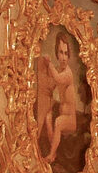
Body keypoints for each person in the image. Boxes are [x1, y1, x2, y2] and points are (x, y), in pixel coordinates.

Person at [36, 29, 84, 163]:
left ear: (69, 56)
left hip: (70, 119)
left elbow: (57, 79)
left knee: (57, 122)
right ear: (57, 53)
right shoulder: (59, 69)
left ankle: (52, 155)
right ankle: (49, 147)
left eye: (66, 53)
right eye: (61, 53)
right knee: (48, 114)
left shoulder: (68, 74)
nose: (63, 57)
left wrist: (49, 64)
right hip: (63, 115)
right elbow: (52, 85)